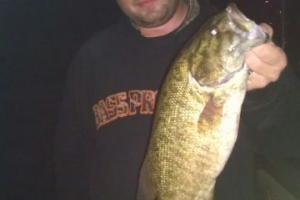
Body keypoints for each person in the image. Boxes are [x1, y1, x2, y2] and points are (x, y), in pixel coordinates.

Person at [54, 0, 298, 199]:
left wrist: (267, 94)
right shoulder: (91, 58)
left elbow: (290, 144)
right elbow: (70, 161)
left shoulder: (229, 41)